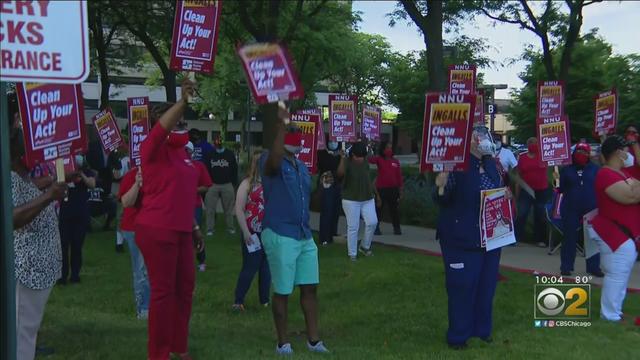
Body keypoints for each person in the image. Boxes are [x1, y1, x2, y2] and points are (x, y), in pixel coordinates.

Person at [135, 80, 202, 360]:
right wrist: (183, 101)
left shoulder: (182, 154)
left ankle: (179, 347)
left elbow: (185, 195)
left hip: (183, 230)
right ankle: (159, 353)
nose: (181, 124)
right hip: (157, 229)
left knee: (185, 288)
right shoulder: (152, 147)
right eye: (177, 119)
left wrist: (195, 227)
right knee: (163, 293)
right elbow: (163, 127)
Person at [260, 105, 329, 355]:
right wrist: (282, 125)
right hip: (281, 233)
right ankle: (283, 343)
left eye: (298, 131)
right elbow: (274, 162)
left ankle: (313, 340)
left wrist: (323, 187)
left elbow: (309, 201)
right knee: (283, 289)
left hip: (303, 234)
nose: (297, 134)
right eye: (292, 131)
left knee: (310, 287)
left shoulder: (301, 167)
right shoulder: (269, 159)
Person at [9, 92, 69, 360]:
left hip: (40, 268)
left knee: (28, 331)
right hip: (28, 269)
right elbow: (11, 218)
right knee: (22, 332)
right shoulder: (8, 175)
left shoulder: (22, 173)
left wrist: (45, 184)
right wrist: (48, 196)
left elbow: (25, 191)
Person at [433, 125, 505, 349]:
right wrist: (441, 187)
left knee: (486, 286)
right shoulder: (455, 167)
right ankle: (458, 336)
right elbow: (441, 199)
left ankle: (481, 330)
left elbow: (499, 189)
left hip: (490, 237)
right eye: (481, 137)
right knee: (462, 287)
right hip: (460, 238)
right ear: (471, 142)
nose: (486, 140)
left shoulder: (491, 164)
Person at [589, 135, 640, 321]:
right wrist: (634, 187)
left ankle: (615, 311)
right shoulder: (605, 173)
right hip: (614, 233)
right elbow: (629, 196)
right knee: (617, 274)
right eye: (626, 150)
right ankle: (609, 314)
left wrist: (635, 186)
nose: (629, 154)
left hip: (624, 233)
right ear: (619, 153)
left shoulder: (624, 173)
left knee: (622, 274)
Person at [232, 150, 271, 311]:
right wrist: (246, 232)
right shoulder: (247, 184)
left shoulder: (271, 183)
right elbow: (239, 209)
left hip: (268, 232)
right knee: (251, 265)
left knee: (266, 267)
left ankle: (264, 300)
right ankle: (238, 300)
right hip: (252, 232)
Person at [558, 143, 603, 277]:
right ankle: (566, 266)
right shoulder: (566, 169)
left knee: (592, 238)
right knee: (569, 237)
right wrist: (556, 176)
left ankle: (594, 267)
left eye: (584, 151)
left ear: (589, 154)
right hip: (570, 208)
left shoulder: (595, 169)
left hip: (591, 208)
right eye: (578, 151)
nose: (581, 153)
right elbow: (560, 188)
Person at [57, 154, 97, 284]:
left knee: (77, 245)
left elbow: (92, 184)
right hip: (65, 212)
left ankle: (75, 275)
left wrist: (81, 174)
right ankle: (62, 276)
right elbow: (57, 184)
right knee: (63, 245)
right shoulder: (63, 170)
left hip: (81, 213)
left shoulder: (87, 171)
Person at [117, 166, 150, 320]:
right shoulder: (132, 175)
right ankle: (143, 309)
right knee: (142, 271)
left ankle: (156, 307)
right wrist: (137, 183)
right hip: (134, 228)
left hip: (158, 227)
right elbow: (125, 202)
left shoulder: (163, 172)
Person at [337, 142, 378, 260]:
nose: (360, 159)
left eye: (362, 157)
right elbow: (339, 173)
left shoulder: (365, 161)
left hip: (367, 198)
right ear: (352, 154)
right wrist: (342, 158)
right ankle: (352, 254)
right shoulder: (347, 161)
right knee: (353, 227)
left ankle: (365, 246)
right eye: (357, 156)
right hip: (350, 199)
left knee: (372, 222)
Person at [514, 137, 550, 247]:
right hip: (526, 190)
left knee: (540, 215)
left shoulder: (543, 157)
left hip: (541, 190)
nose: (533, 144)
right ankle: (516, 237)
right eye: (530, 143)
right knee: (522, 214)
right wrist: (517, 193)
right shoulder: (522, 157)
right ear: (527, 145)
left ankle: (540, 239)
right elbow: (518, 176)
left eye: (535, 142)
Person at [186, 141, 213, 272]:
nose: (184, 153)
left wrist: (193, 190)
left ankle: (201, 260)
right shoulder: (174, 165)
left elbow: (207, 185)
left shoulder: (199, 166)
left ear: (191, 152)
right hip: (177, 207)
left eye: (187, 151)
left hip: (194, 206)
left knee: (195, 234)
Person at [205, 135, 238, 235]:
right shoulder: (210, 154)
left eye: (219, 143)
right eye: (216, 143)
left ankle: (230, 227)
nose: (217, 144)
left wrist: (233, 184)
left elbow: (234, 169)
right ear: (214, 143)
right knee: (210, 208)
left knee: (229, 209)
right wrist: (207, 183)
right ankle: (210, 229)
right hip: (212, 184)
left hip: (227, 184)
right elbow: (206, 170)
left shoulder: (229, 154)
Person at [369, 141, 403, 235]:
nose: (389, 150)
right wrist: (370, 148)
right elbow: (370, 159)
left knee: (394, 210)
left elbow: (399, 177)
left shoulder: (395, 161)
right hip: (381, 189)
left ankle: (397, 228)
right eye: (387, 148)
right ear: (383, 149)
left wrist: (400, 191)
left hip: (393, 189)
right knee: (379, 209)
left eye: (390, 148)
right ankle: (376, 228)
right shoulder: (379, 159)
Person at [317, 140, 342, 245]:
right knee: (327, 210)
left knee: (335, 211)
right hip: (326, 184)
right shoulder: (322, 153)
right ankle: (324, 237)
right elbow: (326, 165)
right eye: (331, 141)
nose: (333, 143)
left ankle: (332, 234)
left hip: (337, 184)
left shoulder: (341, 153)